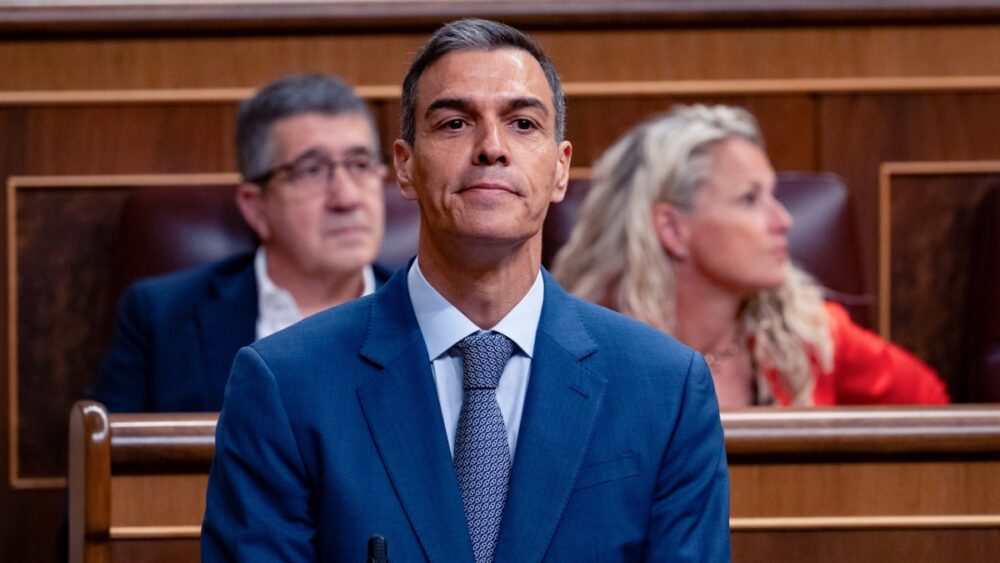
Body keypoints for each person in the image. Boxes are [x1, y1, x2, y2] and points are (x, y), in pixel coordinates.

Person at [202, 19, 730, 562]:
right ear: (405, 166)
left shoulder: (666, 387)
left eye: (523, 124)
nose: (492, 148)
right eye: (455, 123)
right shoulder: (285, 384)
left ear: (560, 169)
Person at [552, 104, 950, 408]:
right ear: (672, 228)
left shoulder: (809, 335)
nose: (783, 220)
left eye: (772, 195)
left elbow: (930, 405)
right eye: (749, 199)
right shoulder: (587, 350)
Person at [90, 74, 390, 412]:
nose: (347, 198)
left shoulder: (425, 310)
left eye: (360, 164)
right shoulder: (161, 318)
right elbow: (109, 444)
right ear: (256, 207)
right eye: (311, 171)